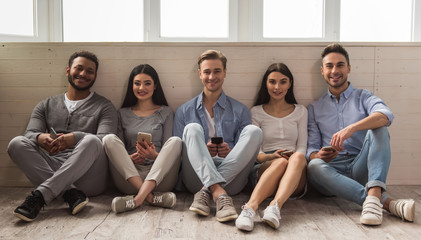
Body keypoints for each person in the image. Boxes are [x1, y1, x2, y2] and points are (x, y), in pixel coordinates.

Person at [306, 43, 415, 226]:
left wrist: (352, 128)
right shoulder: (314, 108)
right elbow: (311, 149)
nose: (335, 70)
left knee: (380, 127)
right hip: (332, 171)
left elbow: (385, 115)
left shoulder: (364, 96)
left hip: (362, 166)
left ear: (348, 68)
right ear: (322, 71)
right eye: (329, 66)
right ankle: (385, 202)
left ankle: (373, 194)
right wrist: (319, 155)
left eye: (340, 65)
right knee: (313, 166)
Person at [8, 51, 118, 222]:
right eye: (79, 68)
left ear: (95, 76)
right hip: (53, 169)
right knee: (16, 143)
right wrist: (39, 138)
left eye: (89, 71)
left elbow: (106, 140)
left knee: (92, 140)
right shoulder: (46, 104)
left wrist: (75, 138)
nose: (83, 74)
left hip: (90, 177)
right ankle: (70, 193)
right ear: (68, 70)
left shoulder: (105, 106)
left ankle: (40, 196)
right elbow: (29, 134)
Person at [173, 50, 262, 223]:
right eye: (207, 71)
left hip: (232, 179)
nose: (211, 76)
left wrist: (230, 151)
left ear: (225, 72)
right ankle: (219, 193)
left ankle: (207, 190)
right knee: (192, 129)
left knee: (254, 131)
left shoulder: (240, 110)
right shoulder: (184, 111)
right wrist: (200, 151)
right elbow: (177, 155)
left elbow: (245, 153)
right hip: (195, 177)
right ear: (200, 74)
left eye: (217, 71)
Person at [235, 63, 308, 231]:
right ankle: (250, 209)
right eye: (272, 82)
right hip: (265, 166)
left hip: (295, 171)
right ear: (265, 84)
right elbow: (255, 153)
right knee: (280, 162)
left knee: (297, 157)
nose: (277, 87)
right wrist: (271, 157)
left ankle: (275, 206)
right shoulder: (256, 111)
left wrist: (293, 159)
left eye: (282, 82)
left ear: (290, 84)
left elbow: (302, 146)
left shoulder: (301, 111)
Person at [102, 64, 182, 213]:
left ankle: (138, 199)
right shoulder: (122, 113)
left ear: (155, 86)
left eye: (147, 83)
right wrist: (130, 159)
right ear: (132, 86)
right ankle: (150, 198)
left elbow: (169, 150)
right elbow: (119, 151)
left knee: (176, 141)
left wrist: (154, 156)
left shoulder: (166, 112)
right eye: (137, 83)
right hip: (130, 179)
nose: (141, 88)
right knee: (109, 139)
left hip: (160, 179)